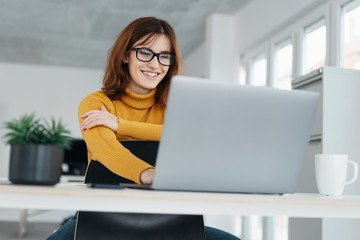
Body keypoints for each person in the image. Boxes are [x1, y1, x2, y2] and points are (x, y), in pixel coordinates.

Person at [47, 16, 240, 240]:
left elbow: (189, 137)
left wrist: (121, 125)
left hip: (170, 216)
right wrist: (147, 174)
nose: (155, 64)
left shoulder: (177, 106)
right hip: (103, 215)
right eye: (145, 52)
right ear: (125, 55)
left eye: (164, 56)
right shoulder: (97, 103)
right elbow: (108, 150)